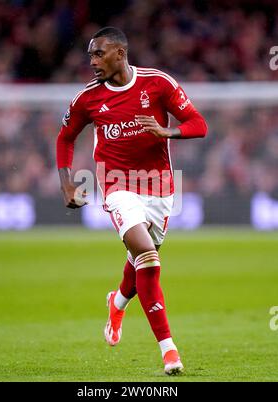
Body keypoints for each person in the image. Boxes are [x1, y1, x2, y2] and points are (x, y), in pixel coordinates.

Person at [56, 27, 207, 375]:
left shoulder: (158, 84)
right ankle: (169, 351)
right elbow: (65, 138)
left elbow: (199, 124)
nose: (92, 61)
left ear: (120, 54)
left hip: (160, 187)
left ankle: (118, 300)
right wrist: (66, 184)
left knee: (140, 258)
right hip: (117, 186)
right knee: (147, 257)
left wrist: (168, 131)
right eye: (90, 55)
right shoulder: (87, 99)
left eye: (99, 54)